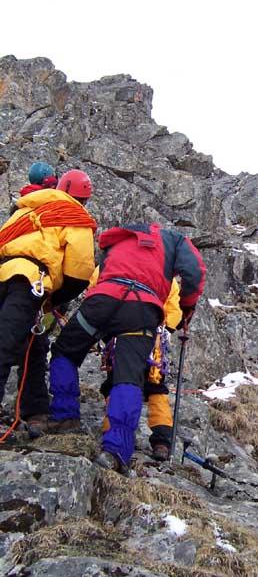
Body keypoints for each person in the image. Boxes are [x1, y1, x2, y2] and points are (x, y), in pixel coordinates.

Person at [48, 222, 206, 474]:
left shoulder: (117, 242)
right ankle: (116, 449)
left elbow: (92, 272)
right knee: (129, 377)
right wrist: (187, 306)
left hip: (103, 299)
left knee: (65, 351)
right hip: (141, 310)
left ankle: (65, 415)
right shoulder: (173, 241)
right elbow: (194, 272)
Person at [0, 170, 96, 438]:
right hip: (31, 282)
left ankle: (35, 412)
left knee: (31, 344)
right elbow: (80, 270)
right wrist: (56, 298)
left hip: (4, 273)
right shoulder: (76, 217)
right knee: (15, 346)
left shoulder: (28, 209)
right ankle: (34, 413)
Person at [100, 278, 183, 462]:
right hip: (154, 342)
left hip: (119, 336)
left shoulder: (114, 264)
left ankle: (111, 429)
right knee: (155, 388)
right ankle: (162, 441)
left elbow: (98, 290)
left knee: (117, 383)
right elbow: (174, 311)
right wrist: (165, 327)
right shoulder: (166, 275)